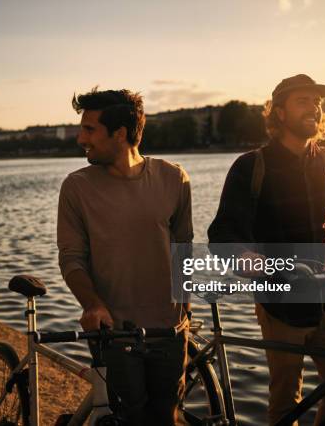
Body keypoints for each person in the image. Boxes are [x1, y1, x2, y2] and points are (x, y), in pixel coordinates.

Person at [207, 74, 325, 425]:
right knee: (286, 402)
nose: (314, 107)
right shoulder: (252, 167)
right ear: (278, 113)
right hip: (280, 303)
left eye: (317, 101)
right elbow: (222, 234)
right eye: (303, 101)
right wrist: (246, 258)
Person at [57, 88, 193, 425]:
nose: (80, 138)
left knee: (165, 418)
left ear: (120, 134)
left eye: (90, 129)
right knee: (129, 418)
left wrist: (185, 308)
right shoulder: (76, 187)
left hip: (170, 332)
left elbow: (184, 247)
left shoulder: (173, 178)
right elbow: (72, 258)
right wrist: (92, 304)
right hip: (113, 333)